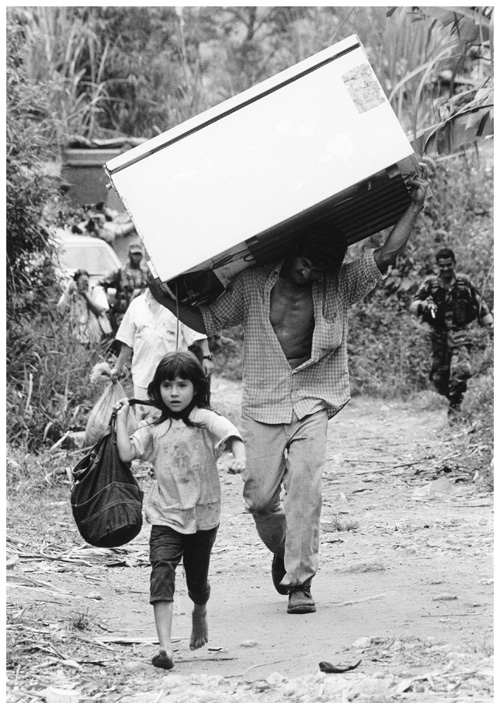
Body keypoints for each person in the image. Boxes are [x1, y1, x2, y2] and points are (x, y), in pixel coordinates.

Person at [150, 175, 429, 615]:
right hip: (263, 401)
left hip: (314, 398)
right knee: (260, 500)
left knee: (306, 488)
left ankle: (301, 581)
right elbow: (207, 321)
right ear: (291, 252)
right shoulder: (252, 284)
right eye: (304, 264)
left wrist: (414, 205)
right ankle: (284, 551)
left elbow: (386, 256)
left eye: (319, 269)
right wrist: (162, 297)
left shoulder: (337, 283)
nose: (309, 274)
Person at [113, 351, 246, 669]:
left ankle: (199, 612)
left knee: (197, 582)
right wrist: (120, 420)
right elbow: (126, 452)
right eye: (168, 385)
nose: (174, 393)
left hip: (203, 516)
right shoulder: (152, 428)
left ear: (196, 388)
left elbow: (232, 434)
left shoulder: (204, 420)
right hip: (165, 515)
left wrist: (239, 458)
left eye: (182, 385)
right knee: (161, 573)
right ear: (157, 389)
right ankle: (165, 649)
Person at [410, 247, 493, 419]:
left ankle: (455, 406)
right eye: (442, 266)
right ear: (437, 266)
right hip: (438, 335)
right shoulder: (430, 284)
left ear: (454, 263)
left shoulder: (464, 282)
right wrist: (423, 305)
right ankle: (450, 397)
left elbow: (480, 306)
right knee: (439, 379)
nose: (446, 269)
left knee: (462, 369)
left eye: (449, 265)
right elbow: (413, 305)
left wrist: (491, 327)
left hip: (459, 333)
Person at [110, 285, 213, 420]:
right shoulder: (136, 305)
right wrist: (117, 367)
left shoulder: (178, 304)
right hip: (143, 376)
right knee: (145, 420)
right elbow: (127, 340)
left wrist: (206, 356)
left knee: (175, 419)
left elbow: (195, 332)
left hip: (174, 378)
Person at [57, 269, 112, 348]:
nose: (83, 284)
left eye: (85, 281)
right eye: (80, 281)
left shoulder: (96, 291)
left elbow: (101, 310)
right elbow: (60, 311)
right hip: (74, 335)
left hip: (94, 334)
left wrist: (86, 294)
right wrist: (69, 292)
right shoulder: (70, 292)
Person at [101, 241, 150, 330]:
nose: (137, 257)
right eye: (134, 254)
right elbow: (101, 284)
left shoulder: (146, 273)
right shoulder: (119, 272)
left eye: (139, 254)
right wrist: (108, 300)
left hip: (142, 314)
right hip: (123, 315)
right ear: (129, 255)